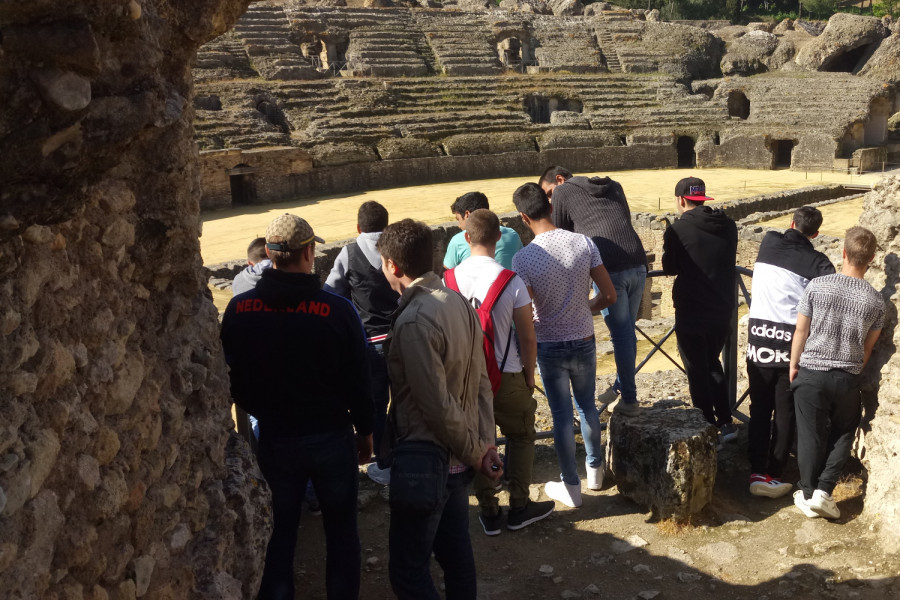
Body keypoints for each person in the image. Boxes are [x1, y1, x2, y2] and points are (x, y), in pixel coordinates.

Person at [221, 213, 373, 600]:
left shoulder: (240, 310)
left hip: (274, 436)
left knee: (280, 534)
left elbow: (230, 377)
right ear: (309, 252)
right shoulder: (337, 311)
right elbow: (358, 378)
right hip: (331, 435)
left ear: (268, 255)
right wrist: (367, 431)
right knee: (341, 534)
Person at [378, 218, 502, 599]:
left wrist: (477, 449)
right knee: (455, 555)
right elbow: (480, 384)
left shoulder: (415, 320)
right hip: (459, 459)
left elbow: (436, 405)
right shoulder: (458, 304)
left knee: (408, 569)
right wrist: (485, 443)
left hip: (431, 459)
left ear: (392, 266)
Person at [443, 209, 554, 535]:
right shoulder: (512, 281)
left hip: (464, 379)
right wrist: (530, 375)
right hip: (506, 373)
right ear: (498, 238)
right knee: (521, 435)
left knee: (478, 440)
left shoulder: (448, 281)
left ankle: (489, 510)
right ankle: (519, 505)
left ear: (466, 237)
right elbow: (527, 336)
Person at [511, 183, 617, 508]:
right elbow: (609, 294)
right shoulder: (583, 243)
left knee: (560, 416)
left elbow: (525, 312)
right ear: (550, 206)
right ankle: (595, 471)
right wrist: (587, 308)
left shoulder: (523, 259)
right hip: (584, 338)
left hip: (549, 344)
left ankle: (572, 486)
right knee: (587, 407)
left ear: (523, 217)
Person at [789, 226, 884, 520]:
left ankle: (806, 493)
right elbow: (868, 349)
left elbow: (801, 331)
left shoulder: (817, 286)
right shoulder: (876, 302)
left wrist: (794, 365)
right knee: (844, 432)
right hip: (846, 376)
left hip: (811, 371)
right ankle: (823, 491)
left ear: (843, 253)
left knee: (809, 435)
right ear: (870, 260)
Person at [539, 166, 648, 416]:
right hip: (638, 261)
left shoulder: (564, 192)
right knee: (627, 332)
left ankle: (629, 400)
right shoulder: (615, 185)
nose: (549, 200)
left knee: (621, 335)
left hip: (609, 266)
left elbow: (561, 236)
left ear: (559, 179)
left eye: (547, 193)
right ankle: (621, 387)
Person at [745, 206, 835, 498]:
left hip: (758, 340)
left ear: (791, 222)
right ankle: (774, 472)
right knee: (785, 412)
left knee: (759, 408)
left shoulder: (769, 241)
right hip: (789, 347)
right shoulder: (818, 263)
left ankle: (756, 469)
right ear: (816, 234)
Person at [324, 201, 399, 485]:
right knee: (405, 402)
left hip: (369, 343)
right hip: (401, 337)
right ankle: (406, 455)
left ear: (358, 227)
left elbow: (331, 291)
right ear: (387, 225)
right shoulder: (394, 250)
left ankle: (384, 462)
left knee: (376, 405)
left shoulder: (349, 252)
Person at [662, 177, 738, 442]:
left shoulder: (678, 229)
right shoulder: (728, 225)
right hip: (722, 308)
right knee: (713, 364)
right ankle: (726, 422)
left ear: (681, 200)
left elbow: (670, 266)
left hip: (692, 310)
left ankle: (706, 428)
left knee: (696, 371)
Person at [443, 191, 523, 270]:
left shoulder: (457, 241)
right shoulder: (512, 235)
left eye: (458, 219)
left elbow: (447, 274)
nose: (459, 225)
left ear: (467, 214)